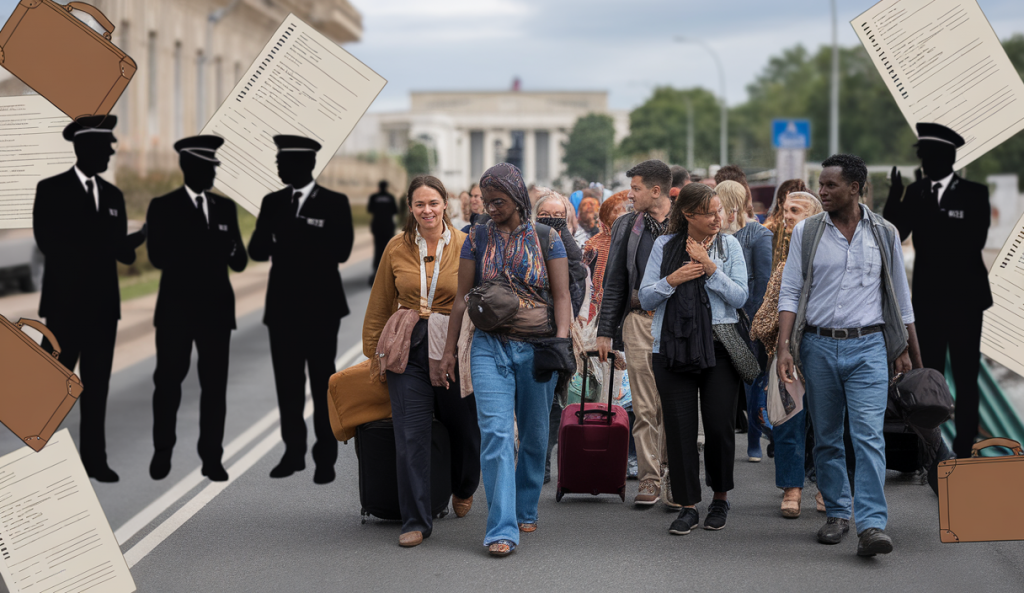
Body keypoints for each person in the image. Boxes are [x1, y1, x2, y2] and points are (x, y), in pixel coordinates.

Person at [777, 154, 922, 556]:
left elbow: (900, 297)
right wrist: (784, 347)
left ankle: (872, 524)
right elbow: (790, 292)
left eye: (830, 186)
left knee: (868, 437)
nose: (821, 191)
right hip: (818, 347)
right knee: (826, 437)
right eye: (820, 184)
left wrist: (911, 354)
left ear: (855, 188)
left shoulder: (884, 233)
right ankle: (838, 513)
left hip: (870, 347)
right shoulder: (807, 233)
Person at [440, 163, 572, 557]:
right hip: (488, 345)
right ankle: (502, 527)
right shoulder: (475, 238)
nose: (491, 208)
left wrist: (561, 344)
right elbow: (461, 298)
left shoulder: (548, 238)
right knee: (497, 435)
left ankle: (525, 504)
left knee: (533, 436)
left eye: (498, 201)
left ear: (518, 199)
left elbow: (562, 297)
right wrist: (449, 350)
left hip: (537, 347)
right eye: (485, 201)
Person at [363, 175, 481, 548]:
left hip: (452, 344)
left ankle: (464, 485)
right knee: (410, 435)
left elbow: (480, 298)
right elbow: (381, 301)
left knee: (462, 427)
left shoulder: (466, 244)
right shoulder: (396, 247)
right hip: (408, 344)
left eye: (433, 203)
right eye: (419, 204)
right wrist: (373, 354)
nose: (426, 210)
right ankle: (416, 519)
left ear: (446, 204)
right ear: (410, 208)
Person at [33, 115, 146, 482]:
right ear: (87, 147)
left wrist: (143, 235)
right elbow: (50, 244)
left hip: (102, 310)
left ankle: (93, 462)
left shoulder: (113, 196)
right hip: (65, 309)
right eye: (108, 144)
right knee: (50, 390)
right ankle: (41, 463)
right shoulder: (50, 190)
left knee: (97, 389)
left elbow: (122, 254)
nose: (113, 150)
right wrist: (105, 244)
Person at [639, 183, 749, 534]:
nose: (719, 218)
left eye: (720, 211)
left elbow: (741, 297)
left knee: (718, 426)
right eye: (711, 212)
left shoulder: (729, 245)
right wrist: (672, 280)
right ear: (688, 215)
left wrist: (710, 268)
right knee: (680, 429)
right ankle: (688, 505)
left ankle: (720, 498)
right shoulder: (664, 245)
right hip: (673, 347)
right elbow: (645, 297)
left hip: (721, 344)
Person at [247, 135, 354, 484]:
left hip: (322, 308)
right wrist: (301, 238)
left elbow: (341, 250)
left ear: (304, 165)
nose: (277, 167)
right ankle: (293, 451)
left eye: (283, 162)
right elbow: (258, 249)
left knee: (323, 382)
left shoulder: (335, 203)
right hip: (282, 308)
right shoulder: (272, 202)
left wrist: (292, 238)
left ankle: (326, 456)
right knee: (287, 384)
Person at [883, 123, 991, 459]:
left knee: (965, 375)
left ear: (946, 157)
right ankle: (927, 452)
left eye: (929, 155)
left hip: (964, 301)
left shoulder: (974, 193)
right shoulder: (915, 192)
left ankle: (965, 450)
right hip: (928, 301)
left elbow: (974, 241)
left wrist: (932, 214)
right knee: (925, 378)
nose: (925, 162)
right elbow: (896, 234)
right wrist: (896, 196)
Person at [147, 136, 247, 482]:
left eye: (213, 168)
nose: (211, 174)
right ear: (188, 168)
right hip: (176, 311)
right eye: (206, 168)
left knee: (214, 387)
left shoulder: (224, 208)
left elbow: (240, 260)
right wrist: (209, 248)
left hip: (217, 311)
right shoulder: (163, 206)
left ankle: (212, 457)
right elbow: (158, 256)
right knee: (168, 383)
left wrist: (226, 250)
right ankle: (163, 451)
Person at [597, 160, 673, 508]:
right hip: (639, 320)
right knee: (644, 407)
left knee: (675, 403)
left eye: (637, 188)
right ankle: (649, 478)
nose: (631, 194)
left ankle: (675, 476)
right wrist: (605, 332)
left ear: (656, 191)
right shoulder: (627, 225)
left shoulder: (685, 221)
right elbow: (613, 281)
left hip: (677, 325)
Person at [750, 191, 822, 517]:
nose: (788, 215)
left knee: (827, 425)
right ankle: (792, 489)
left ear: (815, 216)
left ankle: (825, 486)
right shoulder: (783, 265)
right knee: (789, 423)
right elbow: (765, 318)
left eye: (796, 210)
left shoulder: (826, 258)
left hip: (823, 350)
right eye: (786, 210)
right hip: (788, 354)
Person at [718, 180, 773, 462]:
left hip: (748, 320)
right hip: (723, 320)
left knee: (753, 382)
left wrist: (757, 323)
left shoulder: (758, 235)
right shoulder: (714, 235)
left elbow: (764, 283)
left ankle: (758, 438)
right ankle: (752, 438)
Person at [766, 179, 810, 271]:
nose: (788, 216)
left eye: (794, 210)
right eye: (786, 210)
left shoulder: (809, 230)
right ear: (780, 203)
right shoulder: (768, 231)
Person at [368, 180, 398, 285]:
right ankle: (387, 272)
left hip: (377, 226)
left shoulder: (374, 197)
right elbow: (395, 210)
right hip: (388, 226)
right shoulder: (390, 197)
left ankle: (376, 271)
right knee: (388, 248)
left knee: (378, 248)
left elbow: (370, 209)